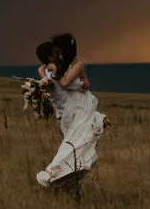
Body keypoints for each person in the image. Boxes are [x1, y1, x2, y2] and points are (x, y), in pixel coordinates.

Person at [34, 33, 105, 188]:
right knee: (71, 153)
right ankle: (58, 180)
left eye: (59, 51)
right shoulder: (55, 68)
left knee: (74, 152)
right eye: (54, 52)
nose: (57, 55)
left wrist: (82, 78)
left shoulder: (70, 66)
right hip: (67, 116)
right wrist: (52, 70)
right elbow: (63, 82)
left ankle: (65, 185)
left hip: (75, 113)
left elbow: (67, 81)